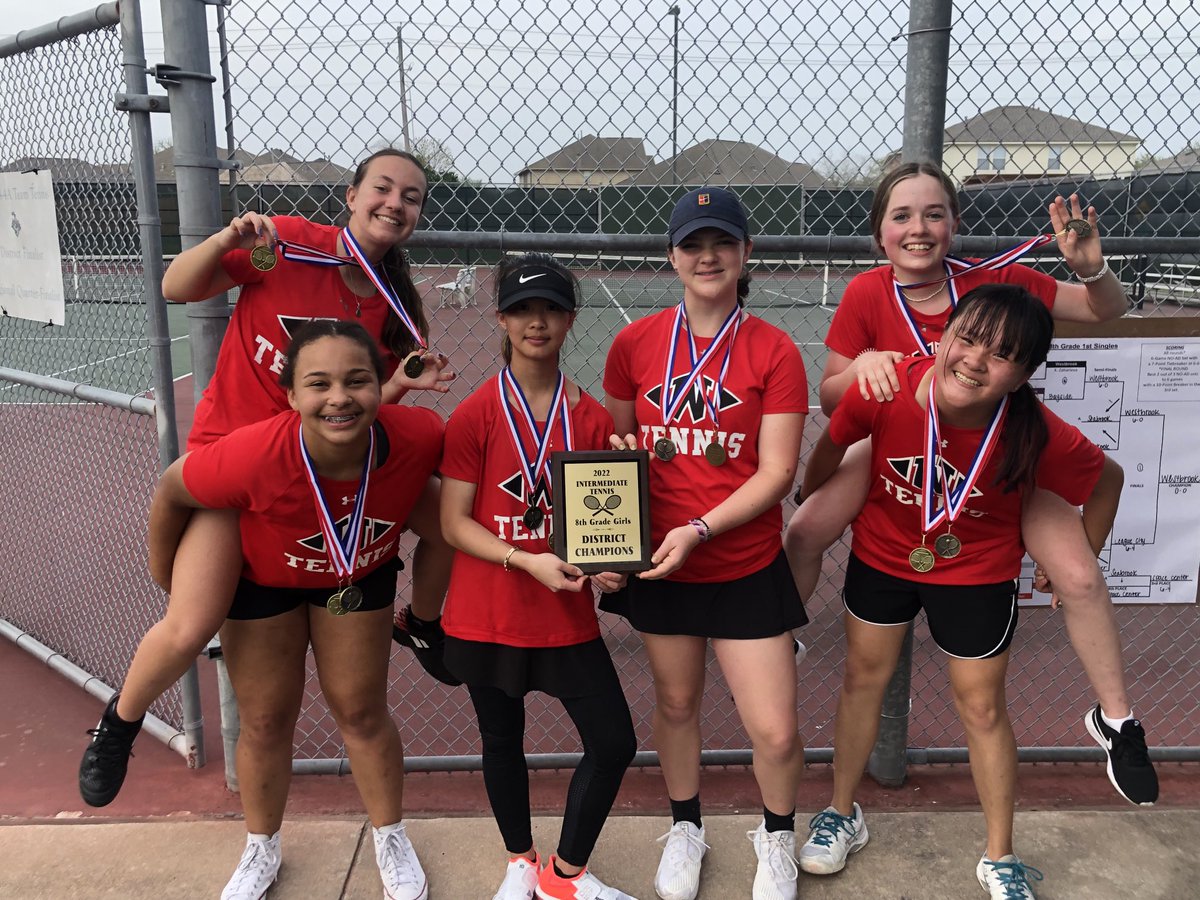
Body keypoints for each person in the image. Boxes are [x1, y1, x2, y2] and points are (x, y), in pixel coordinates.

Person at [78, 148, 459, 810]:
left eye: (413, 197)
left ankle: (423, 622)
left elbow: (356, 409)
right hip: (237, 468)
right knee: (191, 622)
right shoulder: (282, 247)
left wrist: (396, 383)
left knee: (453, 519)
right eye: (384, 188)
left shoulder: (394, 306)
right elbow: (177, 288)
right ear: (351, 194)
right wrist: (224, 239)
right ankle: (120, 723)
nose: (396, 203)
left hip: (320, 475)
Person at [783, 161, 1157, 805]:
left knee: (1079, 575)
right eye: (901, 216)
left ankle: (1117, 720)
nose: (919, 228)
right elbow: (832, 396)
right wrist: (869, 366)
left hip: (994, 455)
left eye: (934, 214)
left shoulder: (998, 281)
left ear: (955, 223)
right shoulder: (868, 294)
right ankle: (781, 632)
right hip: (896, 441)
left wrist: (1089, 267)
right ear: (880, 232)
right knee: (807, 526)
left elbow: (1104, 312)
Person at [796, 284, 1131, 899]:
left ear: (1024, 374)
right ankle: (842, 812)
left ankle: (1000, 855)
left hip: (975, 572)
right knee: (861, 681)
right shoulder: (890, 392)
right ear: (941, 336)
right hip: (884, 556)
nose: (975, 359)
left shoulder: (1035, 431)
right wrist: (808, 494)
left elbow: (1107, 480)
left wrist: (1082, 550)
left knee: (981, 709)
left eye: (1000, 354)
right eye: (967, 338)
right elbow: (832, 444)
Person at [147, 321, 442, 898]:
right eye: (318, 384)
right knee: (263, 721)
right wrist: (168, 577)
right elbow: (172, 490)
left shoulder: (419, 435)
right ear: (290, 395)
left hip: (355, 570)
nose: (338, 397)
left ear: (380, 386)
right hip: (262, 578)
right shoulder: (252, 452)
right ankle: (261, 845)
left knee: (361, 712)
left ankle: (390, 833)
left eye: (357, 381)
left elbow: (454, 506)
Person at [603, 188, 809, 900]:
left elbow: (778, 470)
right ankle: (686, 826)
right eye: (693, 244)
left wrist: (700, 528)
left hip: (742, 564)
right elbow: (616, 446)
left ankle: (777, 836)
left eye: (722, 242)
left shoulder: (775, 350)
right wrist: (618, 536)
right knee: (678, 703)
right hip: (662, 565)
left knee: (776, 731)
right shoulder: (634, 344)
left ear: (746, 253)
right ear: (673, 257)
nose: (708, 255)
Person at [439, 254, 638, 900]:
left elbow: (602, 527)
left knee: (613, 742)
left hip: (564, 619)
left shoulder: (595, 421)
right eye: (523, 309)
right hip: (488, 612)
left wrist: (612, 569)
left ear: (570, 320)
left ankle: (565, 875)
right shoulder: (475, 414)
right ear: (500, 318)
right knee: (501, 739)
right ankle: (520, 861)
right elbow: (454, 523)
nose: (537, 321)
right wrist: (525, 559)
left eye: (551, 308)